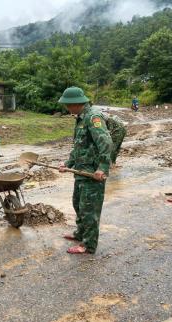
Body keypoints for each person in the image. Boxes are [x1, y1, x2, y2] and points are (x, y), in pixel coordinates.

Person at [58, 87, 113, 254]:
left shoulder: (93, 117)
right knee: (78, 204)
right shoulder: (80, 119)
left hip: (92, 174)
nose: (67, 108)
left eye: (68, 105)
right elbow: (78, 147)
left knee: (89, 210)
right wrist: (68, 163)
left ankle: (88, 244)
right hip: (81, 173)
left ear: (75, 103)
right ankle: (81, 233)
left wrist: (102, 167)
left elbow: (106, 142)